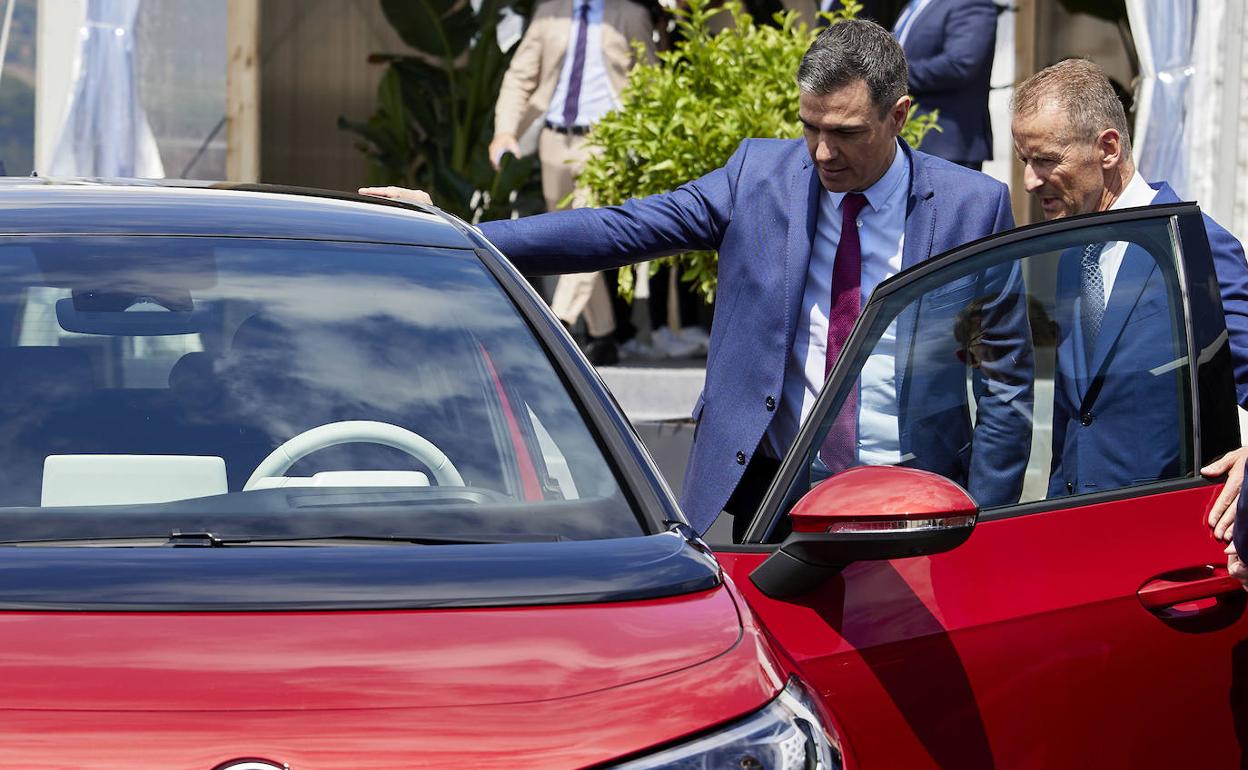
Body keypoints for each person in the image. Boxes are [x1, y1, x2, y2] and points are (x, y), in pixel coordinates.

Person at [364, 19, 1021, 534]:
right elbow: (620, 229)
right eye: (809, 127)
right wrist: (456, 233)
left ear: (899, 116)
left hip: (915, 495)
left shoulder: (971, 207)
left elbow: (1005, 379)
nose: (822, 152)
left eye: (845, 133)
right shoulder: (759, 177)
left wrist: (989, 521)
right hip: (776, 490)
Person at [1010, 59, 1248, 546]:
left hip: (1172, 544)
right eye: (1024, 161)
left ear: (1108, 149)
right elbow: (1077, 413)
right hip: (1077, 536)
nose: (1031, 181)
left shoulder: (1197, 247)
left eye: (1046, 159)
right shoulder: (1074, 254)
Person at [491, 0, 655, 364]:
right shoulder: (550, 12)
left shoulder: (631, 15)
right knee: (569, 235)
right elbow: (520, 75)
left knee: (588, 224)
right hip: (555, 141)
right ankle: (604, 333)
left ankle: (553, 326)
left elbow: (650, 82)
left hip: (608, 140)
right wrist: (505, 132)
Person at [893, 0, 997, 170]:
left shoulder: (972, 3)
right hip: (908, 137)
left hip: (948, 143)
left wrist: (892, 74)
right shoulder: (915, 5)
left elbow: (961, 64)